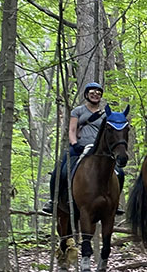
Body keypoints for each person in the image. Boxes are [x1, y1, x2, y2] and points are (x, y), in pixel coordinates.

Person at [41, 81, 106, 215]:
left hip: (99, 149)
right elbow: (71, 129)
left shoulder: (105, 114)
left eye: (98, 93)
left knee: (119, 173)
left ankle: (114, 203)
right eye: (93, 93)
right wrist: (75, 144)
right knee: (60, 171)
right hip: (80, 146)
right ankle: (53, 201)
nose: (96, 95)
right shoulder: (78, 111)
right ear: (87, 94)